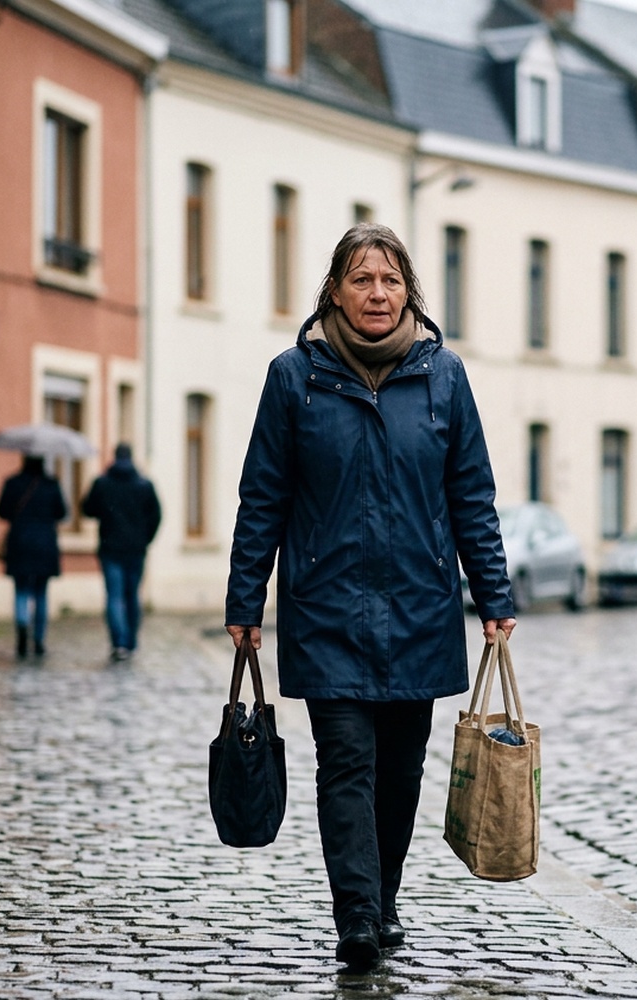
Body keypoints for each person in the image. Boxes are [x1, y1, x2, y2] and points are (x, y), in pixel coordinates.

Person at [224, 223, 515, 971]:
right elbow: (263, 495)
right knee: (345, 760)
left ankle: (384, 899)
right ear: (334, 292)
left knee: (401, 768)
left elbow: (472, 496)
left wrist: (494, 596)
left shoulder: (443, 376)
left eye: (389, 280)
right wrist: (245, 600)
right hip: (326, 605)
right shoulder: (295, 377)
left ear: (407, 292)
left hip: (420, 604)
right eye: (362, 279)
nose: (377, 293)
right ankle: (356, 916)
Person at [82, 443, 163, 661]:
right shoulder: (144, 485)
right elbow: (156, 516)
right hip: (136, 549)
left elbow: (87, 509)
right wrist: (145, 539)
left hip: (110, 548)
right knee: (132, 595)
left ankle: (119, 643)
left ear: (114, 457)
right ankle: (131, 642)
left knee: (115, 596)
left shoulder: (102, 483)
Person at [0, 454, 67, 659]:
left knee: (21, 590)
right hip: (45, 544)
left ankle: (21, 630)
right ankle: (38, 639)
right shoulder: (51, 484)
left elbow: (1, 511)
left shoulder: (12, 483)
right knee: (41, 593)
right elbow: (62, 512)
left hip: (19, 543)